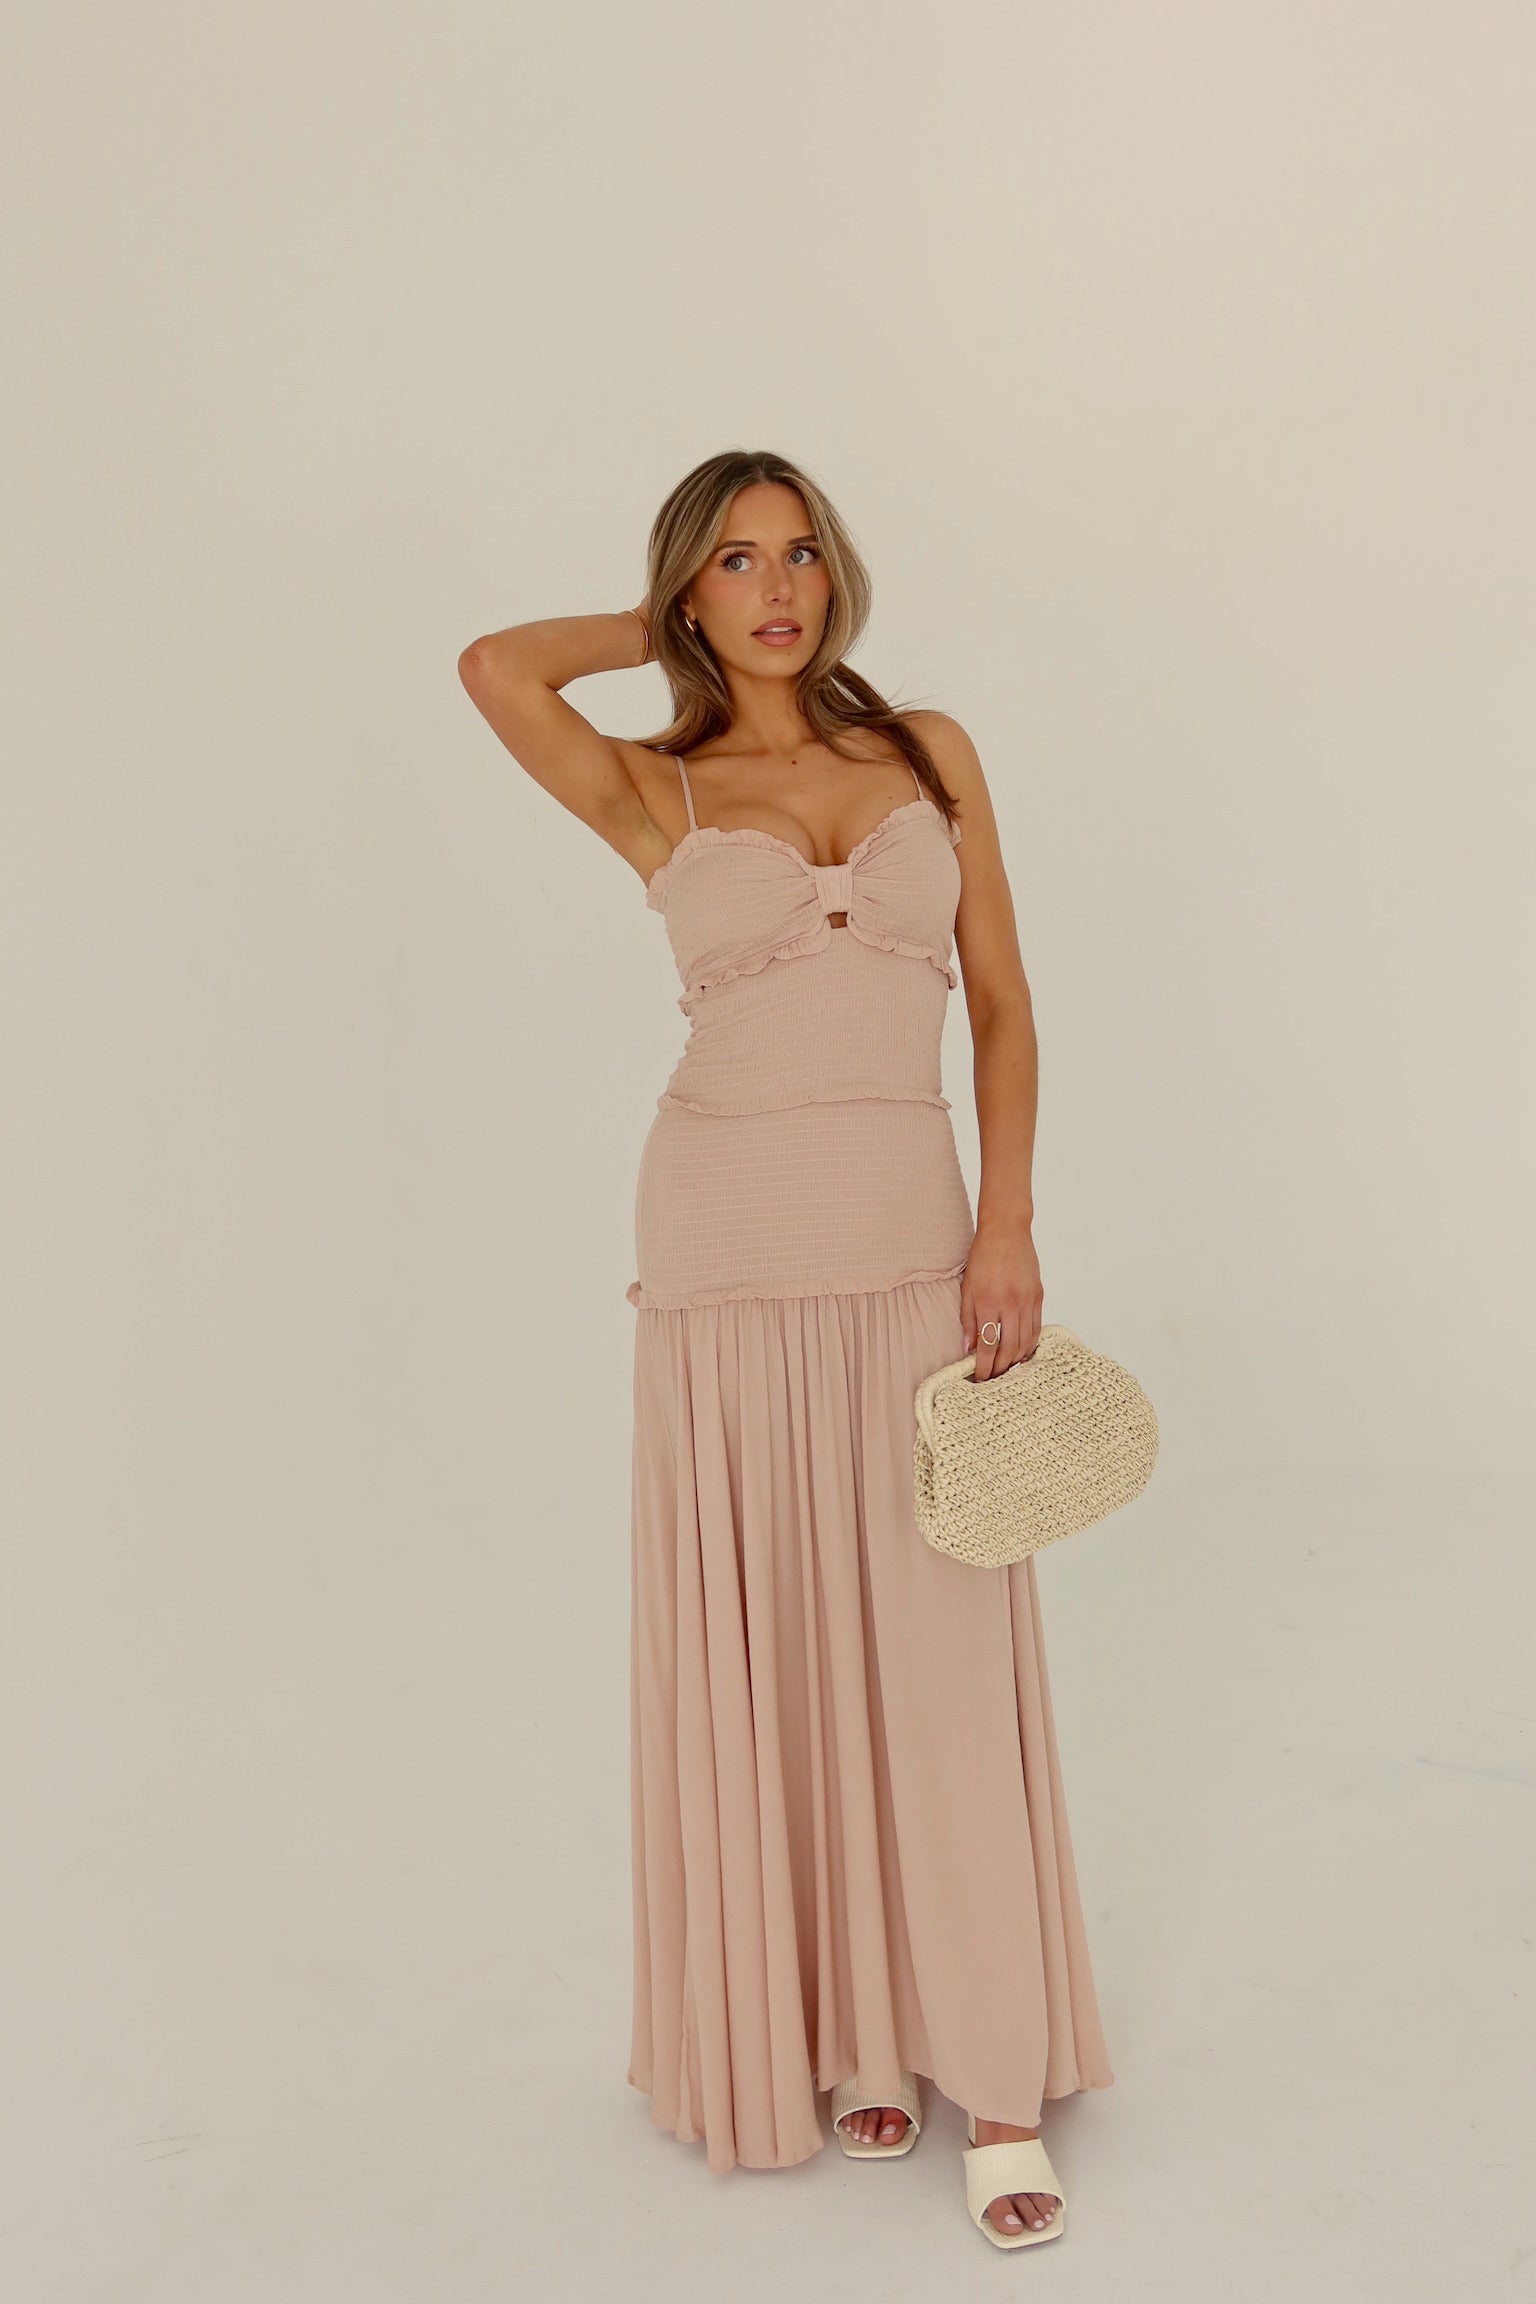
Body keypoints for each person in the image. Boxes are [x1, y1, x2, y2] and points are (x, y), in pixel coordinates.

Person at [457, 449, 1113, 2248]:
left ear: (840, 574)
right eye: (737, 561)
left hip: (913, 1242)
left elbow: (1002, 1001)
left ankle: (994, 2073)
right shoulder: (658, 784)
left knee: (935, 1643)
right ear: (692, 587)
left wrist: (1007, 1221)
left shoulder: (926, 750)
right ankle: (852, 2035)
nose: (779, 587)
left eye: (802, 552)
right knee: (781, 1643)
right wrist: (653, 620)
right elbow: (496, 667)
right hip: (725, 1247)